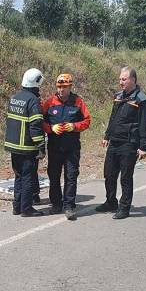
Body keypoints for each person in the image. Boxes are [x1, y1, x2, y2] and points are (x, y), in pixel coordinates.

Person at [96, 67, 146, 219]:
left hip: (129, 143)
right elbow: (113, 118)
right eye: (120, 79)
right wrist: (107, 136)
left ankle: (124, 207)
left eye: (124, 79)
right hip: (114, 141)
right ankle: (110, 201)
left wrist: (143, 146)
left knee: (125, 177)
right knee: (109, 174)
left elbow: (144, 123)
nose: (121, 82)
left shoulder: (141, 99)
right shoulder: (118, 96)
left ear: (133, 80)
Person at [41, 73, 91, 220]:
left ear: (70, 87)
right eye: (59, 86)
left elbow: (87, 121)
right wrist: (50, 128)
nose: (62, 90)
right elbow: (39, 121)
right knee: (54, 175)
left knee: (71, 176)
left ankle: (69, 206)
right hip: (55, 147)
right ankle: (56, 204)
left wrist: (74, 126)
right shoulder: (49, 102)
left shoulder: (78, 102)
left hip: (72, 148)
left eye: (65, 87)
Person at [5, 68, 46, 217]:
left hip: (13, 146)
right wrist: (41, 146)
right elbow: (35, 126)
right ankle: (26, 208)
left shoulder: (15, 97)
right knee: (28, 177)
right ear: (36, 83)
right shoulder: (33, 101)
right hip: (27, 147)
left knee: (19, 176)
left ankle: (17, 207)